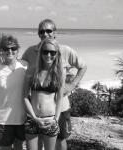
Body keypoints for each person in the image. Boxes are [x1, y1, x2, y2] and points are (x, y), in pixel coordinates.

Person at [22, 19, 87, 150]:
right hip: (36, 108)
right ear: (38, 33)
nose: (45, 34)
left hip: (60, 106)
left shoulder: (65, 50)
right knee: (38, 140)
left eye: (48, 30)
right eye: (41, 31)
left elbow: (83, 66)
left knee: (61, 139)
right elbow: (21, 68)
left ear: (55, 32)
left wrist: (72, 85)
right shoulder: (30, 51)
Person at [24, 38, 65, 150]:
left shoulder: (59, 73)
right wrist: (34, 117)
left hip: (50, 120)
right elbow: (25, 97)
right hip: (32, 119)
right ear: (40, 52)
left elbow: (60, 98)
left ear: (57, 54)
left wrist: (55, 119)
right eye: (45, 51)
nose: (48, 55)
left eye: (52, 52)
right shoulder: (32, 71)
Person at [0, 35, 28, 150]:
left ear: (18, 50)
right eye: (6, 48)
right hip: (3, 120)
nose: (10, 51)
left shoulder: (25, 66)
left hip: (22, 118)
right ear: (1, 51)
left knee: (19, 147)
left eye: (13, 48)